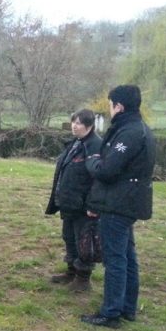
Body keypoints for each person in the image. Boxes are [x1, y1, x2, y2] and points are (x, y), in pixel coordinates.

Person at [81, 85, 156, 328]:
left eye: (111, 104)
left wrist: (92, 162)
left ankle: (111, 312)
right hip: (131, 202)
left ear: (119, 106)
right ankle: (127, 307)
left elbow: (108, 170)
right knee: (127, 256)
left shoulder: (128, 133)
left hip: (118, 204)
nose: (111, 109)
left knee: (115, 259)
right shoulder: (142, 129)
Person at [45, 109, 102, 292]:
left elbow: (98, 179)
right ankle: (71, 271)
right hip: (69, 202)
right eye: (73, 122)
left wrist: (93, 204)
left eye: (78, 123)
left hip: (84, 205)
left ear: (89, 125)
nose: (74, 126)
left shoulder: (95, 146)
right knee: (69, 237)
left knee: (83, 241)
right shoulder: (75, 143)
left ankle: (83, 278)